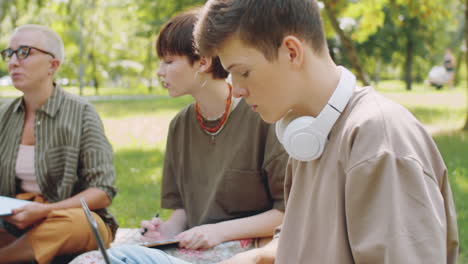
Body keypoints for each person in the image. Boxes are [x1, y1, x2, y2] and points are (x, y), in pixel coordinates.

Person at [191, 0, 460, 264]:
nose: (236, 89)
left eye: (243, 73)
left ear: (292, 52)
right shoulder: (308, 133)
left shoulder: (379, 142)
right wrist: (257, 256)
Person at [71, 7, 287, 264]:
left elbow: (285, 212)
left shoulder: (262, 116)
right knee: (90, 261)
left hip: (246, 252)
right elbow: (183, 211)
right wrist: (165, 231)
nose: (160, 72)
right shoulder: (180, 125)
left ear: (203, 61)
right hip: (193, 247)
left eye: (169, 61)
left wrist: (218, 232)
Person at [0, 24, 118, 264]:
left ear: (53, 65)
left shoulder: (82, 112)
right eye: (9, 53)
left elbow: (102, 191)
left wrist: (44, 211)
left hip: (66, 221)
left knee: (82, 223)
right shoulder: (3, 115)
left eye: (24, 52)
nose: (13, 61)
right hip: (13, 221)